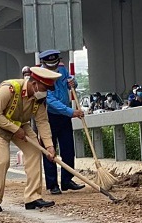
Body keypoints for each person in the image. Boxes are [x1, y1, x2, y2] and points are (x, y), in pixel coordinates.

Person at [0, 66, 61, 212]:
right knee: (2, 161)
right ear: (34, 83)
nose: (46, 92)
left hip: (19, 125)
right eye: (44, 88)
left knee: (35, 152)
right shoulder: (9, 89)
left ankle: (33, 198)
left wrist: (49, 146)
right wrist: (15, 130)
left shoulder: (39, 99)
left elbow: (42, 121)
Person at [39, 49, 85, 195]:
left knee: (68, 149)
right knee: (50, 150)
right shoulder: (40, 75)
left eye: (55, 63)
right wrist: (71, 112)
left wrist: (73, 82)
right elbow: (50, 100)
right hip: (49, 117)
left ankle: (67, 180)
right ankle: (52, 184)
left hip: (64, 117)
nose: (54, 67)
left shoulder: (62, 69)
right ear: (43, 63)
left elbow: (70, 84)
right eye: (50, 64)